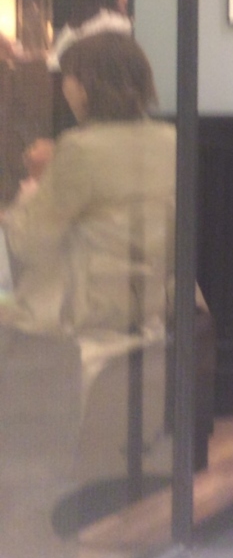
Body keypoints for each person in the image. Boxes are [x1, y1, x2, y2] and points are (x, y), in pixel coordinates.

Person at [2, 32, 175, 338]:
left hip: (81, 311)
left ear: (85, 87)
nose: (62, 86)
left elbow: (27, 243)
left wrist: (32, 190)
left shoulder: (79, 148)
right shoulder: (169, 140)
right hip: (151, 304)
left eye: (66, 77)